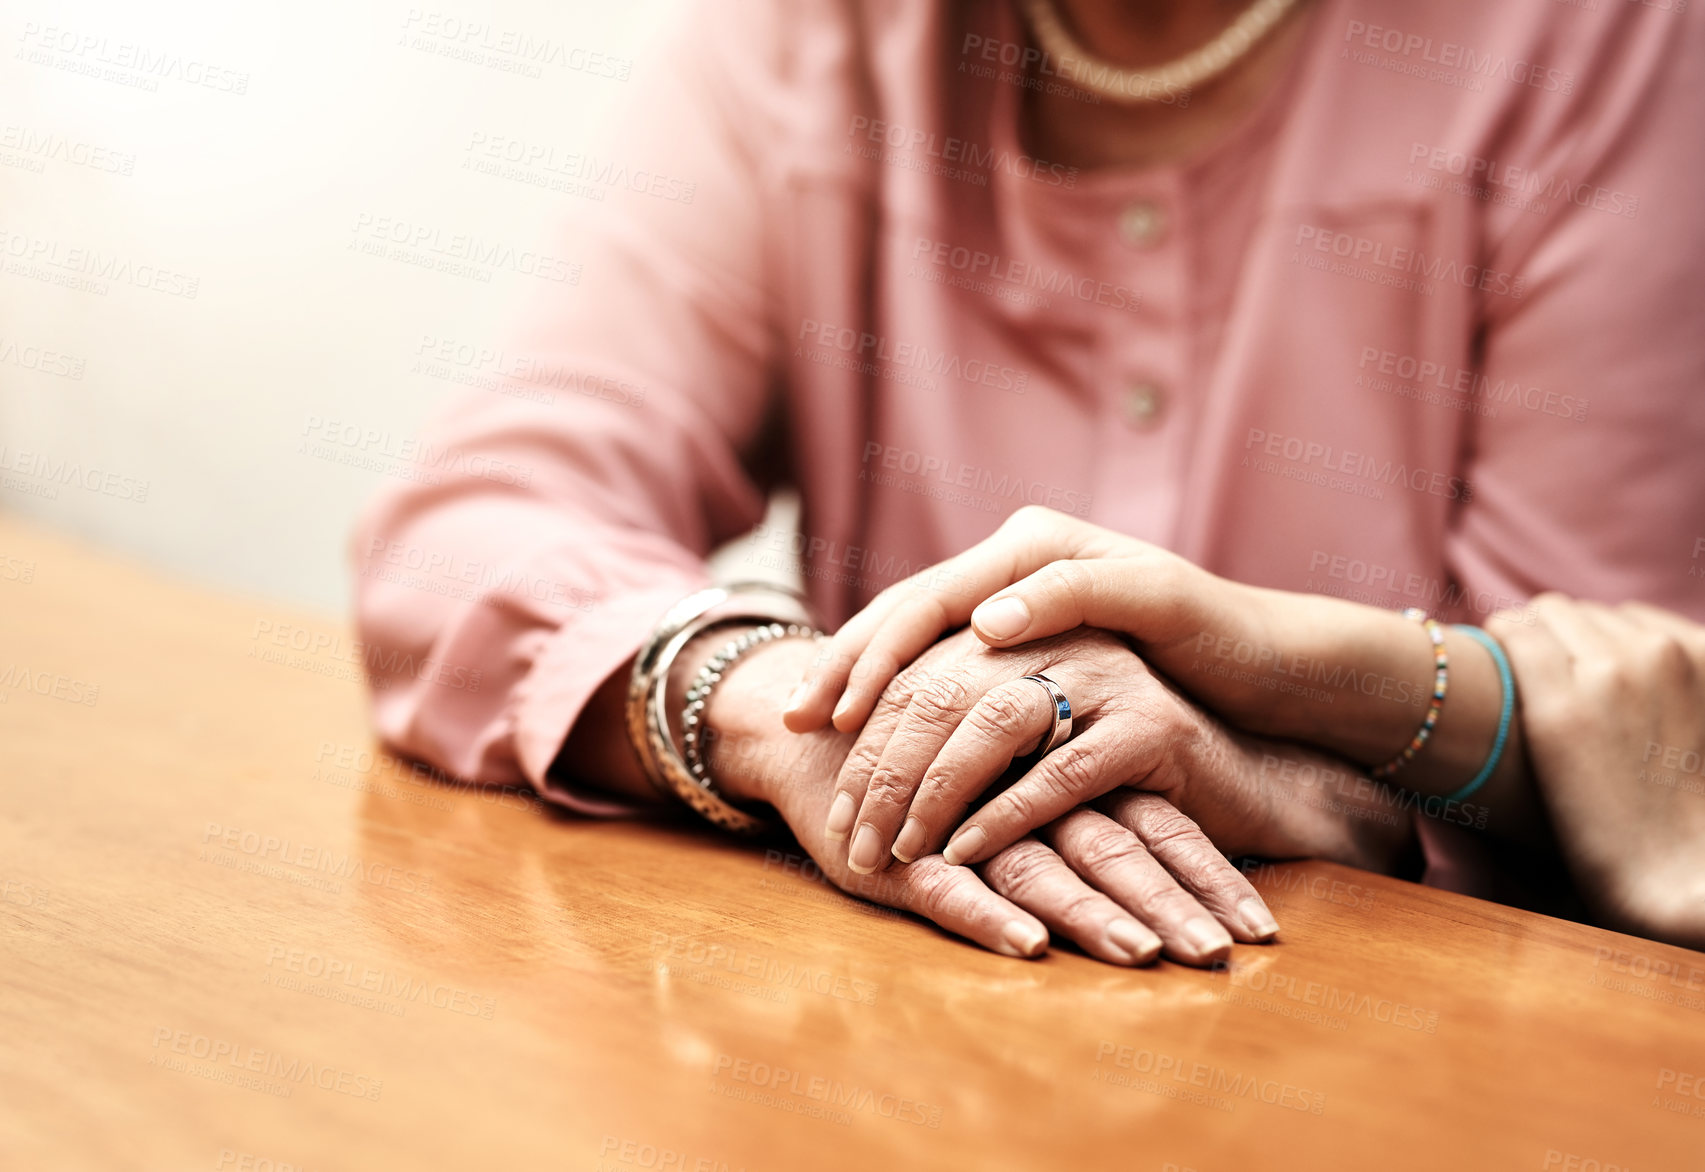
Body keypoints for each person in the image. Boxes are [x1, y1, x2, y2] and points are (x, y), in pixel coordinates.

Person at [352, 0, 1705, 962]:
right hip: (923, 1030)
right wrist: (790, 717)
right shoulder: (808, 32)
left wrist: (1281, 776)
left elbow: (1628, 749)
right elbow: (472, 523)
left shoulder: (1612, 41)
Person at [788, 507, 1705, 947]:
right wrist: (791, 721)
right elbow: (632, 507)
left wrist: (1266, 654)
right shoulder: (806, 127)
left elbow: (1626, 703)